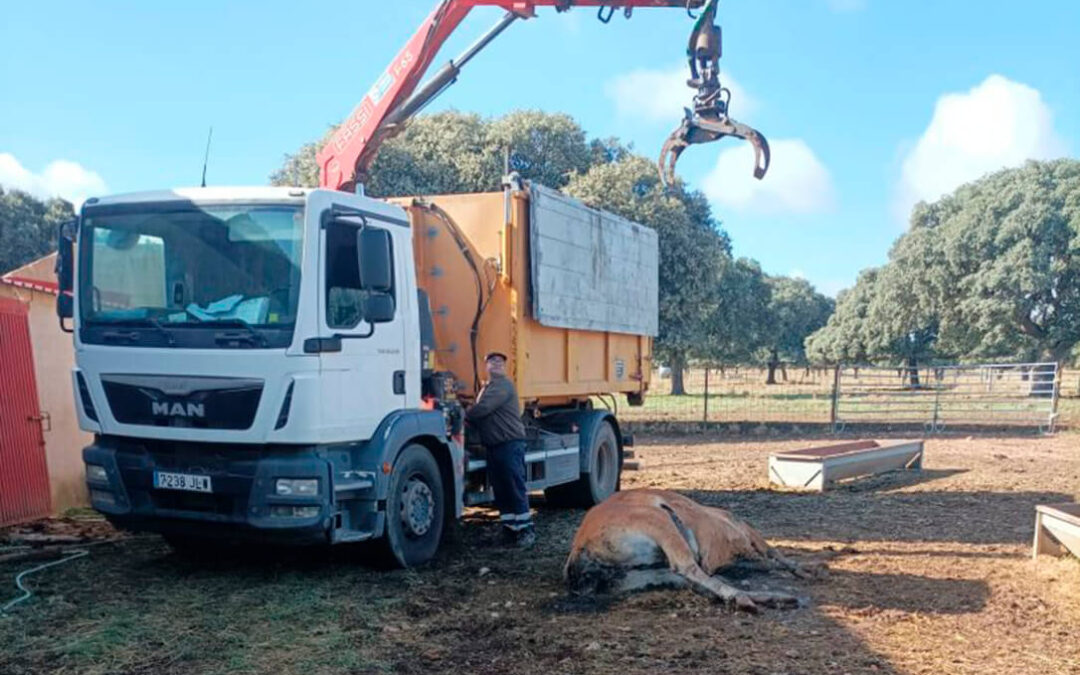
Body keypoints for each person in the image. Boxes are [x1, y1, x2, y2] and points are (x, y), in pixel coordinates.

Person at [465, 351, 535, 547]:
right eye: (491, 361)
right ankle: (509, 529)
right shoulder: (488, 387)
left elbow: (483, 409)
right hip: (495, 446)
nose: (496, 364)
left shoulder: (503, 386)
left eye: (500, 362)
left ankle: (526, 530)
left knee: (514, 486)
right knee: (502, 489)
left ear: (504, 367)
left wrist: (463, 414)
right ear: (485, 366)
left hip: (509, 444)